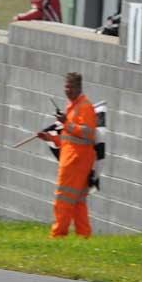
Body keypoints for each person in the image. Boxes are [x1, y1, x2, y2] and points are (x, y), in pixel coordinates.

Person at [37, 72, 96, 238]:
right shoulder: (73, 107)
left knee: (63, 199)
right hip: (73, 159)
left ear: (79, 87)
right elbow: (69, 140)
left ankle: (58, 235)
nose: (67, 90)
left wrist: (66, 123)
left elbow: (87, 133)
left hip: (75, 162)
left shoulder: (85, 107)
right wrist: (51, 138)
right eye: (66, 87)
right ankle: (83, 236)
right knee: (77, 202)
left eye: (70, 87)